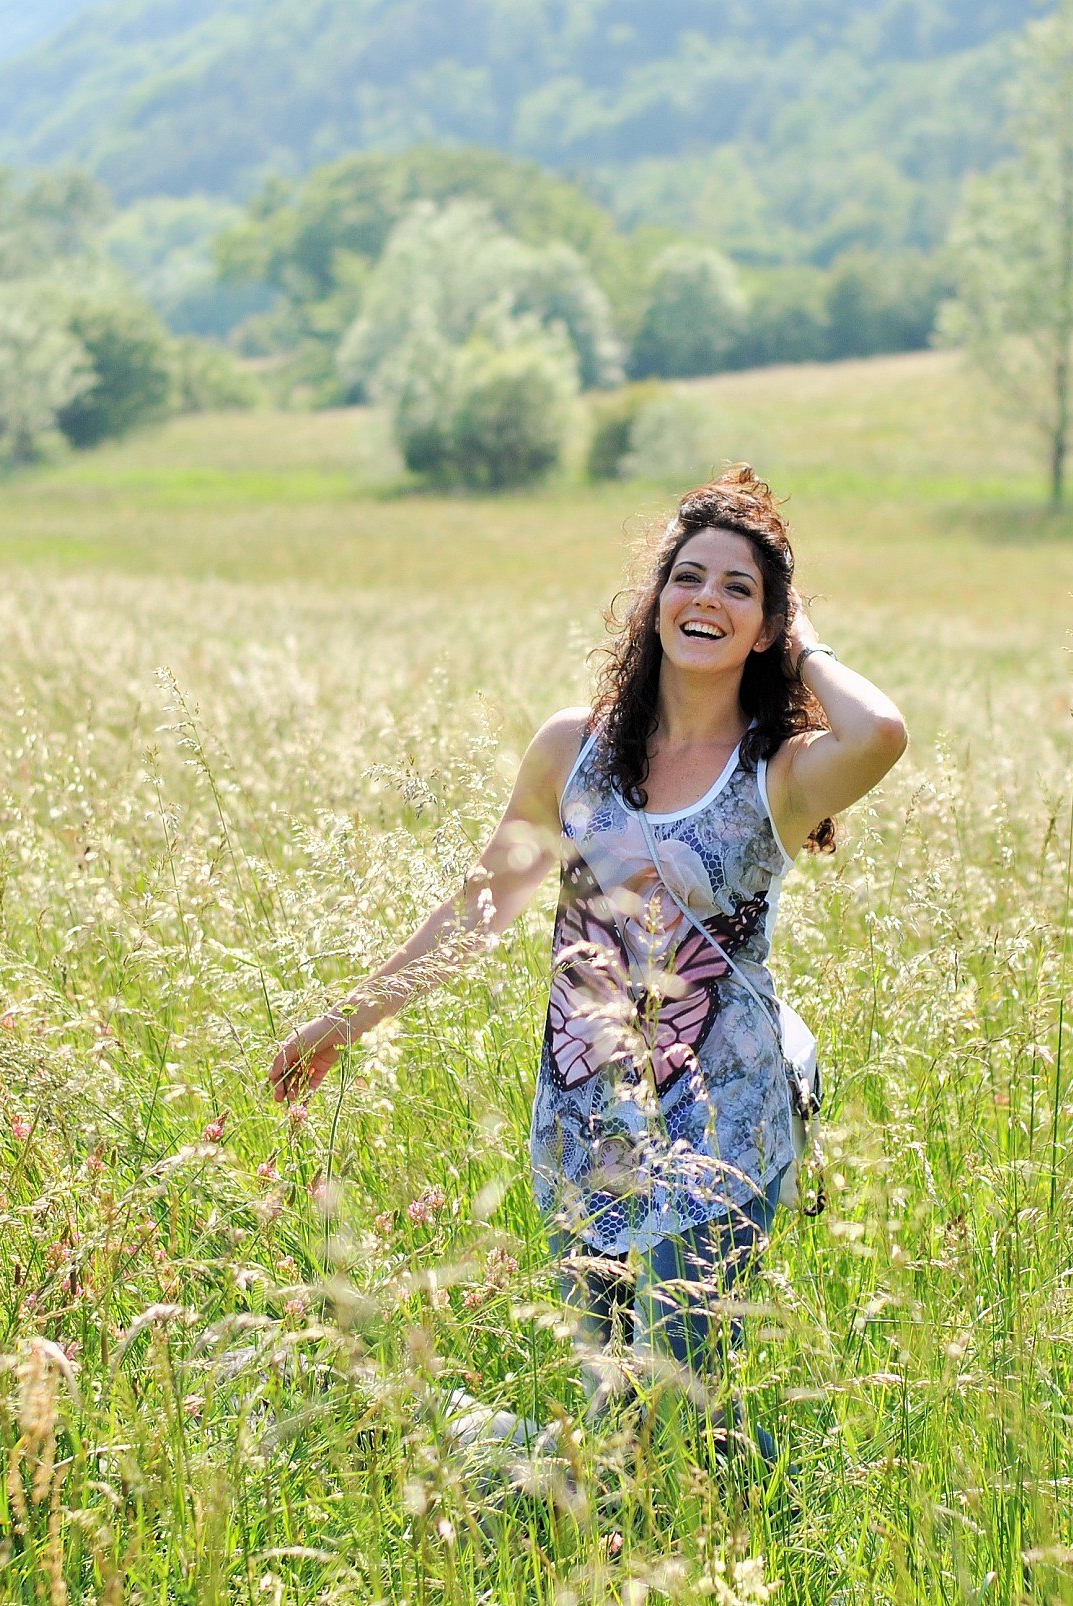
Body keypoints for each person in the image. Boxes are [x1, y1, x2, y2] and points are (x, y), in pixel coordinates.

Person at [268, 466, 907, 1463]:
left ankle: (489, 1450)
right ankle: (476, 1453)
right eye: (687, 576)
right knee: (613, 1408)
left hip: (725, 1130)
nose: (706, 599)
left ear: (771, 623)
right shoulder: (574, 750)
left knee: (678, 1417)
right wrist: (348, 1018)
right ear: (654, 599)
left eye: (739, 588)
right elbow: (481, 907)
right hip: (584, 1121)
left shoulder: (779, 774)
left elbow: (881, 733)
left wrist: (802, 632)